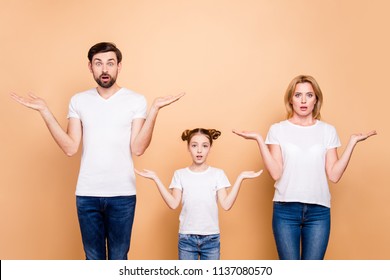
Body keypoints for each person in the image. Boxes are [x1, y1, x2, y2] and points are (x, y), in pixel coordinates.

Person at [10, 42, 184, 260]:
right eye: (98, 63)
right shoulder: (79, 100)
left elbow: (138, 148)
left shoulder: (136, 100)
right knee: (93, 260)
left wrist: (155, 110)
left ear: (119, 66)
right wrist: (45, 111)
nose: (104, 69)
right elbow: (70, 147)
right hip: (87, 194)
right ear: (90, 67)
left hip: (122, 194)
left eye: (110, 63)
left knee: (119, 259)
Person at [233, 74, 376, 260]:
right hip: (285, 210)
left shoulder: (327, 131)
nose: (303, 100)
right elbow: (276, 173)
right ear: (290, 100)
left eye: (309, 95)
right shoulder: (278, 130)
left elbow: (333, 175)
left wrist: (352, 143)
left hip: (319, 211)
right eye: (297, 95)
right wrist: (260, 140)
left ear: (316, 99)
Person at [135, 128, 262, 260]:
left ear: (210, 148)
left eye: (204, 146)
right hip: (186, 239)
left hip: (211, 239)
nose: (199, 150)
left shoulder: (218, 174)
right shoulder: (180, 174)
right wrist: (156, 178)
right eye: (194, 145)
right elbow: (173, 204)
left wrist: (240, 177)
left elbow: (226, 204)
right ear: (188, 148)